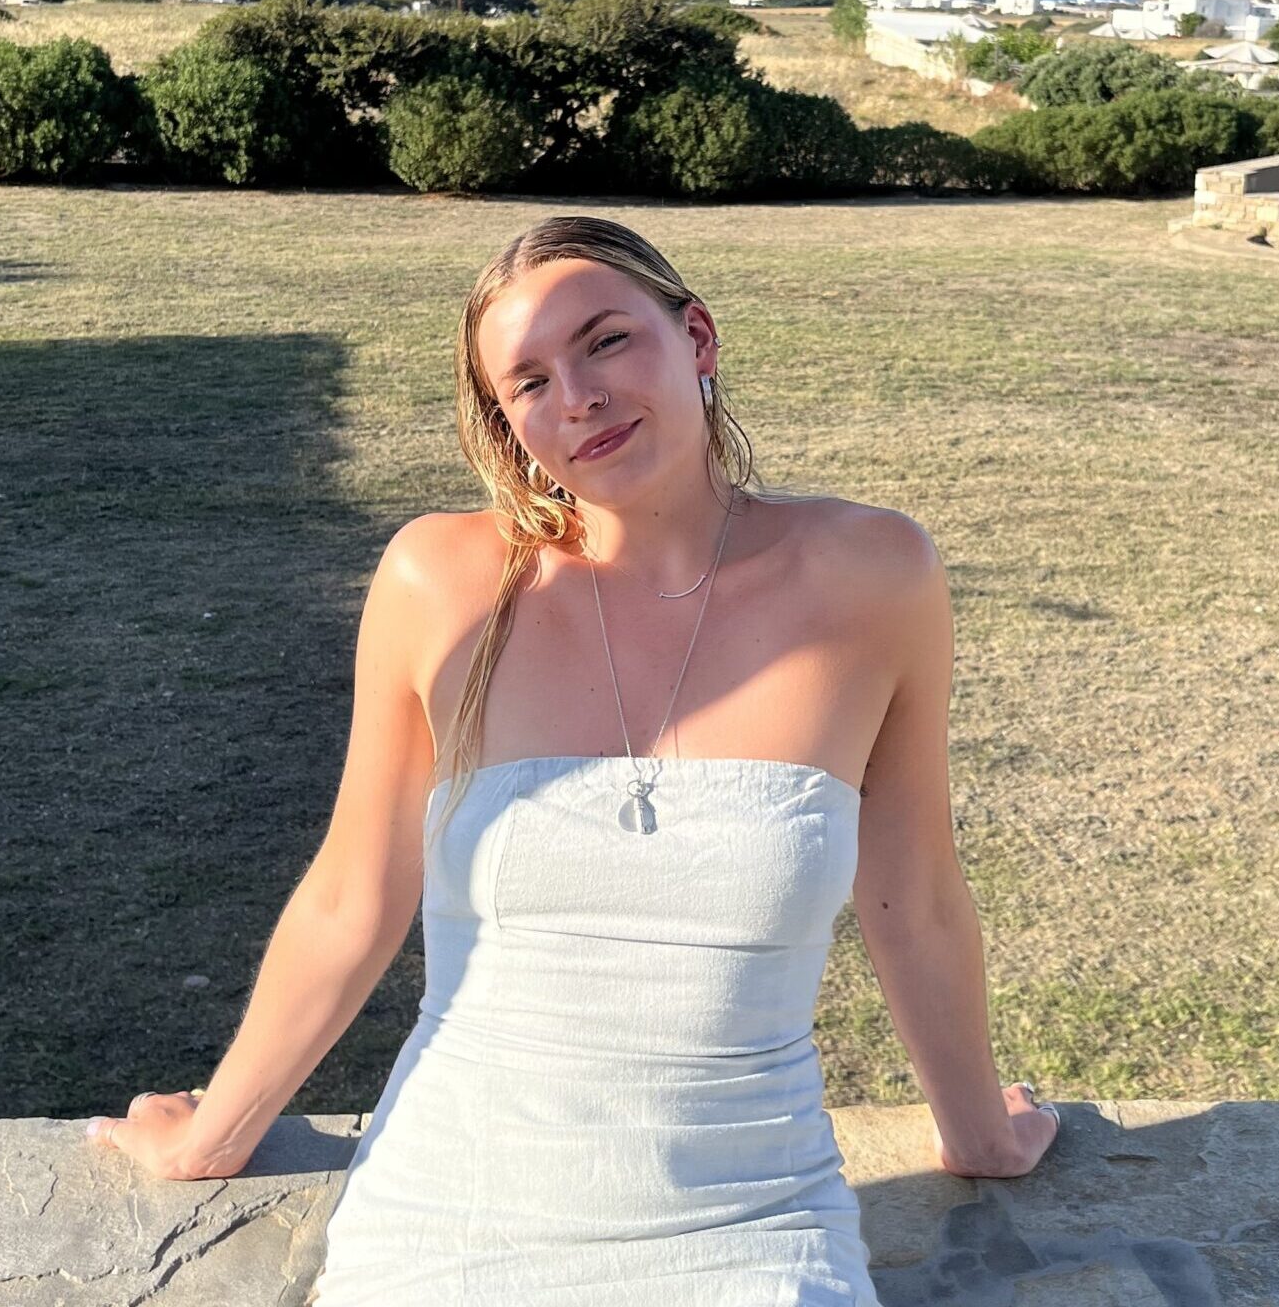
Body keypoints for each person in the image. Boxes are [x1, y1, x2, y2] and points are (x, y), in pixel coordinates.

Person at [87, 214, 1061, 1299]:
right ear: (508, 425)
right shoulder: (441, 584)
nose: (578, 399)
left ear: (696, 337)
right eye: (530, 382)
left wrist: (979, 1134)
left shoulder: (873, 575)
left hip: (755, 1223)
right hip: (449, 1215)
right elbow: (355, 893)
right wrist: (212, 1134)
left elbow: (915, 894)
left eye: (606, 342)